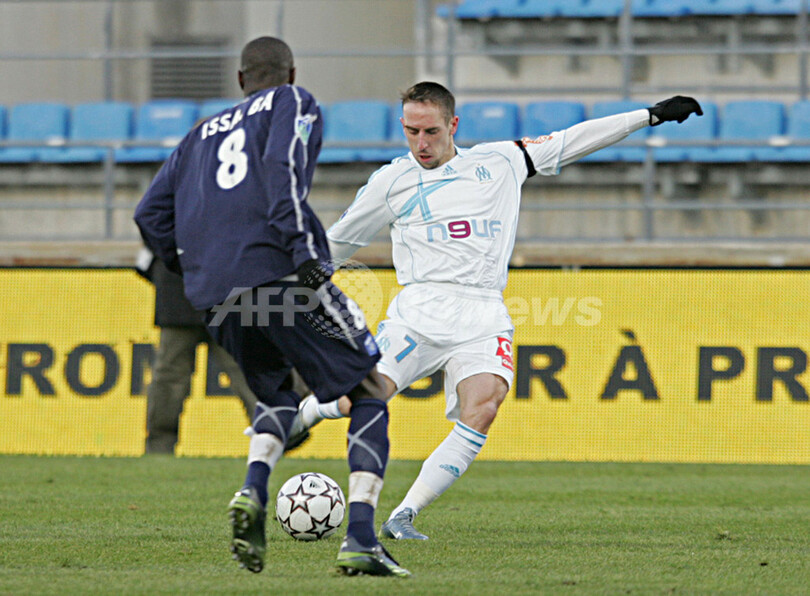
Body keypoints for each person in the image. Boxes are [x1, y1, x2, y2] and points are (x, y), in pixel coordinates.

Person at [290, 82, 703, 540]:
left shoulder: (501, 161)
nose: (420, 143)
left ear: (453, 125)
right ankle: (304, 415)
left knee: (484, 406)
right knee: (361, 399)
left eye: (430, 131)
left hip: (483, 312)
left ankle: (403, 514)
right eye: (411, 132)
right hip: (419, 311)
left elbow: (572, 140)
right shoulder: (392, 181)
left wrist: (648, 116)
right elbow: (339, 241)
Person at [133, 36, 409, 578]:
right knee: (370, 390)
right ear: (291, 72)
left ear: (240, 81)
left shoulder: (196, 136)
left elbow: (149, 215)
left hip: (219, 298)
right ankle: (360, 539)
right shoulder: (292, 101)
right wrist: (306, 257)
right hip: (282, 276)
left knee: (277, 396)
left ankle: (252, 490)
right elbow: (281, 171)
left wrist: (196, 266)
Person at [136, 248, 258, 454]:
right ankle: (276, 436)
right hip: (220, 290)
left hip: (183, 289)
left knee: (170, 376)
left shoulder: (169, 216)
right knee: (247, 372)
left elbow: (149, 228)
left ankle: (159, 446)